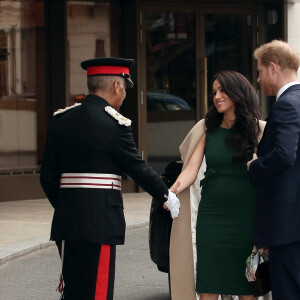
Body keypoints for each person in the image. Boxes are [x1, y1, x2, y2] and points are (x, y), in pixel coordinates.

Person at [40, 57, 180, 300]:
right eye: (125, 87)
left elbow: (47, 177)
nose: (124, 94)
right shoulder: (113, 124)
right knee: (98, 293)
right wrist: (166, 195)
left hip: (67, 223)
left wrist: (68, 205)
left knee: (74, 293)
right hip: (99, 223)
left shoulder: (61, 121)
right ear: (117, 86)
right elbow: (137, 167)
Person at [168, 71, 266, 300]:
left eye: (222, 90)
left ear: (238, 93)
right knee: (208, 286)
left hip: (246, 218)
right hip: (211, 217)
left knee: (246, 289)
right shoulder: (207, 127)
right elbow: (190, 170)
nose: (217, 96)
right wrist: (171, 192)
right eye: (214, 92)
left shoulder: (258, 129)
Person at [247, 40, 300, 300]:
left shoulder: (287, 104)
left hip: (288, 226)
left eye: (259, 71)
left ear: (273, 68)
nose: (258, 79)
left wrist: (255, 165)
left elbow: (284, 154)